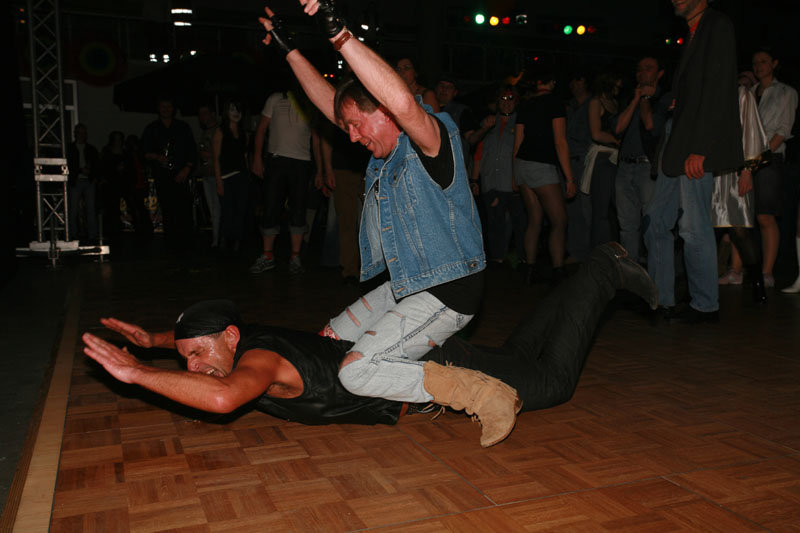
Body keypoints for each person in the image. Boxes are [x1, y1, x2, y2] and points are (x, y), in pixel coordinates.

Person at [82, 242, 658, 446]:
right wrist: (156, 341)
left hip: (432, 366)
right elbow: (203, 354)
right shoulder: (240, 338)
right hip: (420, 361)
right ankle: (585, 278)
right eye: (188, 357)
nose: (195, 366)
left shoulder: (258, 363)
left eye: (197, 354)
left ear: (230, 339)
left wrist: (137, 373)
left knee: (551, 383)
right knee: (519, 356)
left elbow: (222, 397)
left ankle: (603, 271)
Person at [257, 2, 509, 445]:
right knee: (329, 338)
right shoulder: (385, 151)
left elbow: (402, 102)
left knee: (358, 370)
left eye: (357, 125)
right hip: (408, 284)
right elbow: (332, 106)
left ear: (385, 113)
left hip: (449, 290)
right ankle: (397, 377)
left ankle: (481, 392)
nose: (352, 136)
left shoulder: (431, 139)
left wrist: (340, 36)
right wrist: (289, 50)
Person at [643, 0, 743, 324]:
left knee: (693, 224)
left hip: (694, 143)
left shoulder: (717, 26)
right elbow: (696, 86)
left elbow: (718, 89)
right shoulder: (693, 33)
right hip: (677, 138)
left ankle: (705, 305)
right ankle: (662, 301)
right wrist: (677, 100)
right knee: (656, 221)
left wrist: (701, 148)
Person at [513, 65, 578, 285]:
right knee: (559, 220)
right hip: (541, 166)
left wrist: (514, 174)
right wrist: (569, 178)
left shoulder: (526, 104)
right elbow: (560, 141)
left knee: (534, 219)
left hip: (522, 165)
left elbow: (518, 141)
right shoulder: (554, 103)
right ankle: (558, 270)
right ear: (551, 83)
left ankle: (529, 269)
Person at [250, 80, 319, 274]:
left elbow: (316, 139)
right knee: (271, 207)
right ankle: (267, 255)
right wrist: (257, 157)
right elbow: (261, 130)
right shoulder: (275, 98)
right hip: (276, 160)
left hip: (302, 163)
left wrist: (321, 169)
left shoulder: (310, 103)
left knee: (298, 209)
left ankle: (295, 256)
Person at [713, 84, 770, 304]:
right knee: (705, 230)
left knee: (739, 230)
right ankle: (697, 288)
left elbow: (752, 131)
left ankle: (758, 284)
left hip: (734, 171)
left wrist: (747, 169)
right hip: (709, 170)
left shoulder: (741, 93)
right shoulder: (706, 90)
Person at [613, 57, 669, 264]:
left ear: (660, 73)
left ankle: (655, 272)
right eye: (639, 69)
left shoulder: (664, 98)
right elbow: (618, 128)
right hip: (624, 167)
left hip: (648, 168)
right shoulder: (630, 97)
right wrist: (636, 98)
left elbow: (651, 125)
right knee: (627, 225)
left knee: (651, 222)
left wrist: (645, 98)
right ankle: (630, 272)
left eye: (648, 68)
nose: (642, 72)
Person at [750, 48, 798, 288]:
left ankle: (767, 272)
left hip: (769, 159)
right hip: (745, 160)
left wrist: (759, 159)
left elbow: (782, 131)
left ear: (774, 63)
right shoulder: (748, 93)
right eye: (755, 62)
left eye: (763, 61)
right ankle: (737, 270)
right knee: (741, 218)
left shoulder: (785, 92)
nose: (758, 66)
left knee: (765, 216)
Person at [472, 85, 525, 268]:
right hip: (491, 181)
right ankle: (497, 259)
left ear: (516, 101)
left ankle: (522, 257)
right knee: (495, 222)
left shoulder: (520, 122)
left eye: (510, 98)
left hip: (513, 181)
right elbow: (479, 153)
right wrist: (474, 180)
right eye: (503, 98)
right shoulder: (489, 122)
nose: (506, 103)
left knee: (519, 221)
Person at [141, 96, 197, 248]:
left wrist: (186, 169)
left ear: (173, 109)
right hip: (163, 175)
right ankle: (171, 244)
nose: (166, 109)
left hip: (182, 173)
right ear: (158, 109)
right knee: (167, 209)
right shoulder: (152, 129)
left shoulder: (183, 127)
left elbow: (192, 151)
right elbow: (143, 152)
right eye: (163, 106)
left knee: (184, 209)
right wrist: (157, 157)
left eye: (169, 106)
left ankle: (187, 243)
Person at [583, 71, 622, 250]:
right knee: (601, 211)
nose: (620, 85)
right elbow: (596, 133)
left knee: (617, 211)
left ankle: (615, 252)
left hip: (617, 158)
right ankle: (598, 254)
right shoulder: (595, 102)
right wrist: (616, 141)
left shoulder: (615, 103)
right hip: (603, 158)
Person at [213, 100, 250, 252]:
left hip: (241, 176)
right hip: (226, 177)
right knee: (227, 211)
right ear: (226, 112)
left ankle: (237, 241)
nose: (236, 113)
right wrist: (219, 182)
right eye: (232, 109)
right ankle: (223, 239)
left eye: (238, 110)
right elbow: (216, 158)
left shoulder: (244, 133)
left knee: (240, 210)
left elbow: (245, 156)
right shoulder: (220, 131)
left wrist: (248, 176)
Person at [564, 71, 593, 263]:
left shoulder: (594, 103)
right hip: (569, 162)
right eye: (572, 81)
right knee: (573, 211)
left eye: (578, 80)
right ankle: (575, 252)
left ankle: (593, 252)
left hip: (587, 161)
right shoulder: (567, 106)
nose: (574, 84)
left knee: (589, 210)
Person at [66, 123, 98, 243]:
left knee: (91, 209)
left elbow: (96, 164)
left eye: (83, 133)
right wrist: (80, 171)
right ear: (75, 134)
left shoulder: (91, 149)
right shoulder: (70, 148)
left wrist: (93, 175)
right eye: (79, 133)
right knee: (73, 209)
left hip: (88, 181)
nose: (81, 135)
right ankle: (73, 234)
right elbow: (69, 165)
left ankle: (92, 235)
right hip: (76, 180)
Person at [195, 104, 221, 249]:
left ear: (212, 114)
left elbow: (223, 154)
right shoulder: (204, 133)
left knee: (217, 210)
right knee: (213, 210)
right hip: (207, 176)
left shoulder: (219, 130)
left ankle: (218, 240)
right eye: (200, 114)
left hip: (217, 176)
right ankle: (216, 239)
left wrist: (209, 155)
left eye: (205, 113)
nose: (203, 117)